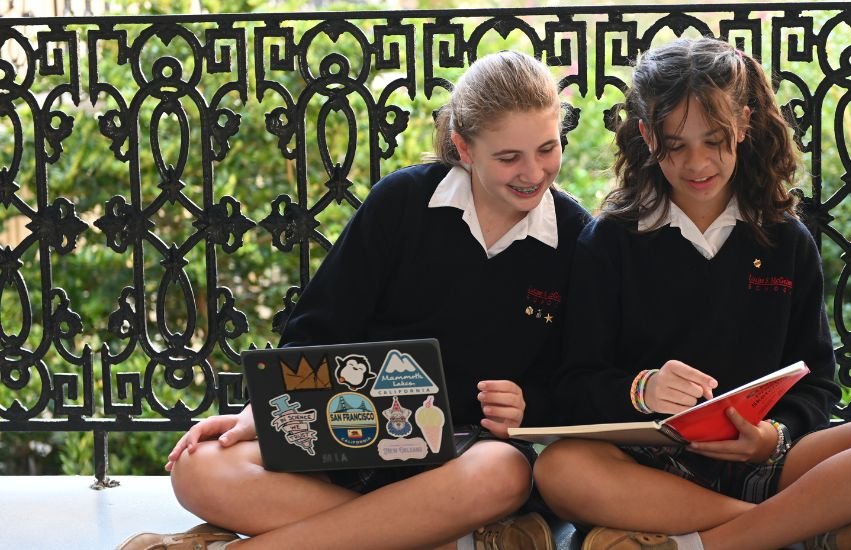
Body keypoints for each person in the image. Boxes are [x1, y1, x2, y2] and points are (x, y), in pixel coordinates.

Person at [117, 50, 592, 550]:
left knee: (504, 474)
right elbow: (317, 326)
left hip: (463, 460)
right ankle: (435, 540)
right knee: (198, 469)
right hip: (344, 436)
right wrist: (264, 412)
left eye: (547, 148)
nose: (534, 172)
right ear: (464, 148)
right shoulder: (402, 202)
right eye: (509, 157)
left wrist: (528, 405)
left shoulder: (574, 237)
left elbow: (573, 380)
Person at [532, 37, 851, 550]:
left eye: (714, 141)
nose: (698, 164)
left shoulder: (784, 240)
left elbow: (817, 384)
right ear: (647, 135)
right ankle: (800, 526)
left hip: (767, 461)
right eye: (676, 144)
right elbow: (574, 383)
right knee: (559, 469)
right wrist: (641, 389)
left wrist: (770, 437)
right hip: (648, 468)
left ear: (743, 125)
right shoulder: (610, 240)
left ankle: (705, 543)